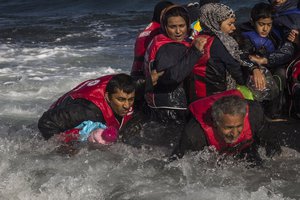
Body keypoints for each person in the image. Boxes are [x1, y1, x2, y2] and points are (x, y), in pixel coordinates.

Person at [172, 90, 282, 165]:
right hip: (211, 149)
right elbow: (175, 163)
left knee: (259, 167)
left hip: (244, 147)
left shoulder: (254, 114)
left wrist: (274, 158)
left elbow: (271, 141)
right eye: (228, 127)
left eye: (239, 126)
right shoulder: (194, 134)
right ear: (215, 123)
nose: (234, 133)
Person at [189, 3, 266, 102]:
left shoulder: (199, 37)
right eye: (229, 24)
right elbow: (234, 67)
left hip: (198, 93)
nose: (234, 27)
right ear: (215, 22)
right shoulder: (221, 43)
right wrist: (250, 76)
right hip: (217, 95)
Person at [143, 5, 206, 125]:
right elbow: (172, 77)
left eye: (181, 26)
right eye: (173, 27)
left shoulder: (157, 40)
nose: (178, 31)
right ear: (165, 27)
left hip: (156, 103)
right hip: (171, 107)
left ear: (188, 25)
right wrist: (195, 52)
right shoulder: (169, 47)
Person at [38, 73, 136, 142]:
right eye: (121, 99)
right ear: (107, 97)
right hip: (63, 116)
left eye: (131, 99)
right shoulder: (87, 111)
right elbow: (46, 122)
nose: (127, 106)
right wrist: (63, 147)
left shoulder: (131, 88)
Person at [238, 2, 295, 119]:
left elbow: (287, 51)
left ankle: (274, 113)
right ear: (252, 22)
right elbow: (242, 55)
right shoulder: (245, 37)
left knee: (281, 73)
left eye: (269, 25)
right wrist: (254, 69)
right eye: (261, 24)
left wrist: (265, 60)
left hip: (270, 67)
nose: (265, 29)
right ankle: (258, 114)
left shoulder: (275, 33)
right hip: (253, 70)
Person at [131, 1, 174, 81]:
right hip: (146, 77)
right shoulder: (158, 31)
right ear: (160, 14)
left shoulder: (147, 29)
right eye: (169, 12)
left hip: (135, 74)